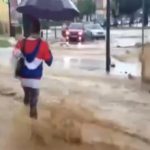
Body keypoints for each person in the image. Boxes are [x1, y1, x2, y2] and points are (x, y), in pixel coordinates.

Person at [12, 17, 53, 119]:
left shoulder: (21, 43)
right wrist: (48, 49)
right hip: (35, 79)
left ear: (30, 30)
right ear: (40, 30)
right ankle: (33, 108)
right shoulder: (44, 44)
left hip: (24, 78)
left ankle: (26, 95)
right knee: (34, 95)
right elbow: (49, 62)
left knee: (26, 87)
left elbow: (15, 54)